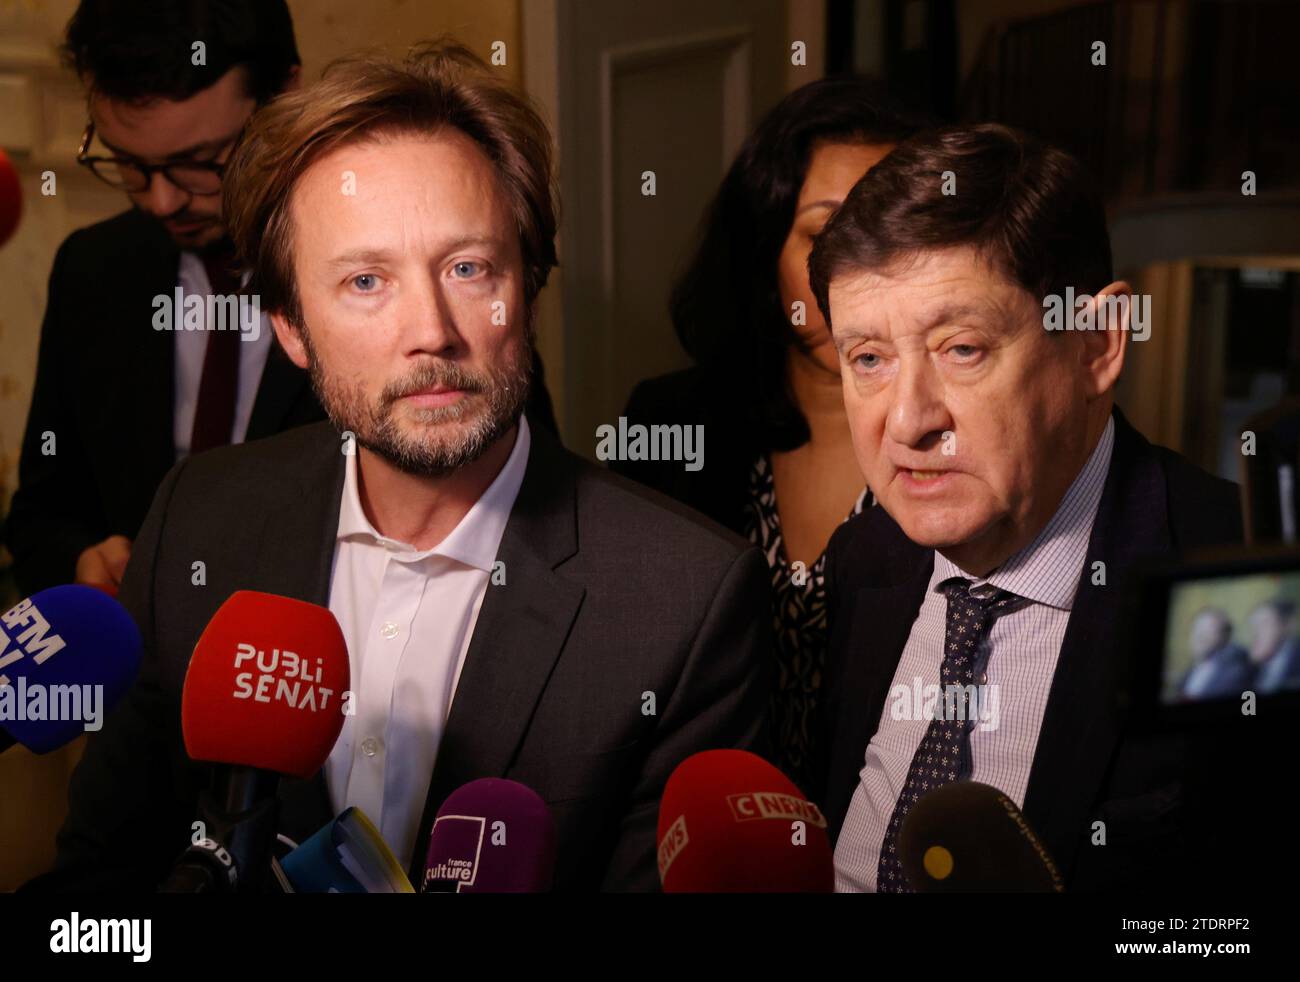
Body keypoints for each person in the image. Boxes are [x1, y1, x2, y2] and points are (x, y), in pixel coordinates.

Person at [45, 42, 770, 892]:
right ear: (289, 327)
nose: (431, 329)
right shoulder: (198, 520)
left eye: (468, 268)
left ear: (527, 289)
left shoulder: (686, 600)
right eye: (364, 281)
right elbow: (94, 889)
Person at [808, 124, 1244, 892]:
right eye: (869, 359)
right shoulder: (865, 553)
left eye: (962, 348)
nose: (908, 422)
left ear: (1097, 344)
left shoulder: (1242, 581)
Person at [612, 78, 926, 794]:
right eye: (825, 234)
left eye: (897, 235)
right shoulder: (668, 421)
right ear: (763, 249)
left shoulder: (954, 441)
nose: (861, 274)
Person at [5, 0, 324, 597]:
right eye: (128, 164)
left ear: (285, 95)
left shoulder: (385, 268)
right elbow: (41, 516)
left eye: (199, 164)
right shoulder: (93, 268)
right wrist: (82, 563)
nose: (159, 203)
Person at [1178, 607, 1252, 700]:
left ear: (1225, 636)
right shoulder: (1192, 670)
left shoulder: (1235, 671)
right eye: (1196, 628)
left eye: (1208, 630)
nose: (1199, 635)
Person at [1249, 599, 1300, 693]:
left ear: (1288, 625)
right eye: (1254, 625)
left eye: (1265, 624)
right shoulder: (1250, 668)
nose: (1256, 633)